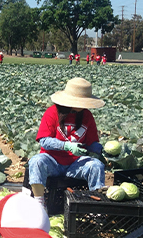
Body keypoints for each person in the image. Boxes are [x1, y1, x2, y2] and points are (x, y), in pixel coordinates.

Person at [28, 77, 105, 210]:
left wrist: (101, 149)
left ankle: (96, 208)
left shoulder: (87, 116)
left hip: (76, 164)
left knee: (96, 165)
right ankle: (39, 205)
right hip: (52, 162)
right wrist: (66, 146)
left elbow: (90, 143)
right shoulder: (52, 112)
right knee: (36, 161)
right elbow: (44, 141)